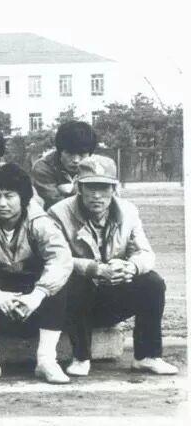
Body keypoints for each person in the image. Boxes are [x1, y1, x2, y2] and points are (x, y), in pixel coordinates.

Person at [48, 156, 178, 376]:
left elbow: (145, 253)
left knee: (153, 282)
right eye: (90, 187)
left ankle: (147, 356)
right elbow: (55, 258)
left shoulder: (128, 212)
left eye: (103, 187)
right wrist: (95, 269)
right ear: (79, 187)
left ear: (114, 189)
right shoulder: (58, 214)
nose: (97, 195)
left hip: (111, 296)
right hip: (74, 303)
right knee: (74, 280)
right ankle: (81, 356)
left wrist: (130, 267)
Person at [0, 164, 73, 384]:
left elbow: (61, 258)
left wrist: (38, 294)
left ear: (24, 198)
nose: (2, 203)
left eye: (9, 196)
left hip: (30, 294)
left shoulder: (39, 220)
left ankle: (46, 360)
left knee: (58, 282)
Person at [33, 121, 110, 210]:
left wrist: (71, 190)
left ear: (90, 153)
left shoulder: (98, 166)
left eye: (81, 154)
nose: (76, 160)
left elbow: (107, 200)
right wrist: (78, 191)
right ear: (60, 151)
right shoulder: (43, 168)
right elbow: (57, 206)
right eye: (70, 153)